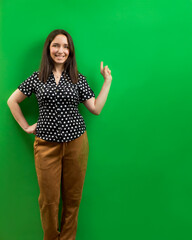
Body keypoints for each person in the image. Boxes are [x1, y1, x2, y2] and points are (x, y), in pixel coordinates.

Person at [7, 29, 112, 240]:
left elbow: (95, 108)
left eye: (65, 46)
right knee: (48, 200)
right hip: (46, 145)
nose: (61, 50)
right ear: (49, 48)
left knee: (72, 199)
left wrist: (107, 81)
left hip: (76, 143)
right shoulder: (37, 77)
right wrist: (27, 127)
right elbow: (12, 101)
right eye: (56, 45)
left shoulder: (77, 78)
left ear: (70, 51)